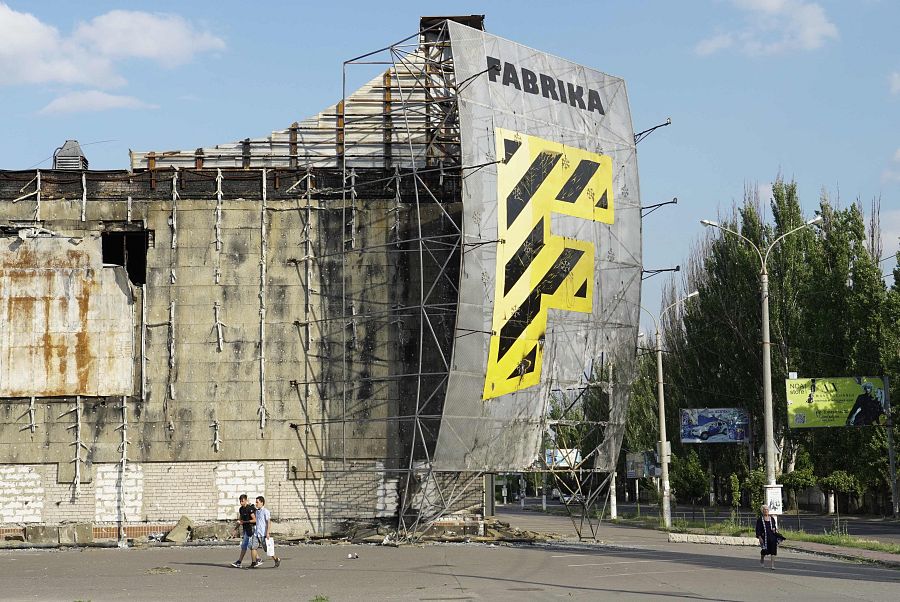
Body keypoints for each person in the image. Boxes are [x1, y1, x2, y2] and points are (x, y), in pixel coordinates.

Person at [249, 495, 281, 568]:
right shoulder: (257, 511)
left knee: (267, 550)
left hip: (263, 534)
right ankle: (254, 563)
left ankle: (276, 559)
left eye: (257, 502)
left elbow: (268, 522)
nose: (256, 503)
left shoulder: (265, 511)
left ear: (262, 502)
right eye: (256, 502)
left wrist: (267, 532)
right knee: (253, 547)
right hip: (257, 533)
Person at [230, 494, 256, 568]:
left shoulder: (249, 509)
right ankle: (257, 559)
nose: (241, 503)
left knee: (246, 545)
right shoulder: (241, 509)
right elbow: (240, 520)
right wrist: (235, 529)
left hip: (250, 529)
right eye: (240, 501)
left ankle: (239, 562)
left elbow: (254, 520)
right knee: (247, 545)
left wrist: (244, 522)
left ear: (246, 500)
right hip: (245, 529)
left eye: (242, 501)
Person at [755, 504, 780, 570]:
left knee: (773, 550)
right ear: (762, 511)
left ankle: (772, 565)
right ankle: (762, 559)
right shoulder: (760, 520)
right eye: (765, 510)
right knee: (764, 551)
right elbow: (758, 529)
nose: (766, 511)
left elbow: (774, 526)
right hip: (764, 537)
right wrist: (760, 538)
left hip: (772, 537)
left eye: (767, 510)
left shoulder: (771, 518)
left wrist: (774, 529)